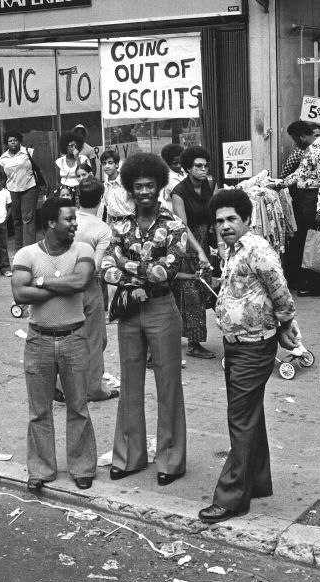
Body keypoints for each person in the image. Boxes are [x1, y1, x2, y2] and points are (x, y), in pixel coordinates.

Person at [198, 189, 298, 524]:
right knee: (248, 414)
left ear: (246, 220)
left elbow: (280, 289)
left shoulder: (257, 248)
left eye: (231, 220)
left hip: (255, 344)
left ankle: (231, 498)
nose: (224, 226)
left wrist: (286, 326)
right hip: (236, 342)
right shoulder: (231, 250)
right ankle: (255, 481)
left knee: (239, 418)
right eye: (219, 221)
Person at [102, 152, 188, 487]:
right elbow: (105, 266)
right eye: (138, 186)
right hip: (129, 312)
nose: (144, 192)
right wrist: (128, 269)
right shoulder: (120, 225)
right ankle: (129, 456)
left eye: (150, 185)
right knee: (130, 383)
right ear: (129, 189)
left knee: (168, 386)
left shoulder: (174, 227)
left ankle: (171, 459)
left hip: (161, 310)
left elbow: (165, 272)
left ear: (159, 186)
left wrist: (126, 266)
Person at [10, 197, 98, 493]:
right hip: (38, 340)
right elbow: (20, 294)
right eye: (69, 219)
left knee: (78, 406)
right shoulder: (26, 253)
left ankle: (82, 468)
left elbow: (80, 282)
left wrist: (41, 281)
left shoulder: (83, 249)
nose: (75, 224)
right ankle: (41, 470)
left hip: (74, 337)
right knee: (39, 410)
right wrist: (55, 282)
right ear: (50, 223)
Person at [170, 145, 217, 359]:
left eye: (205, 165)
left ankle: (183, 334)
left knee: (205, 291)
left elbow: (216, 217)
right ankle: (194, 343)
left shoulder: (211, 185)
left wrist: (221, 247)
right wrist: (199, 251)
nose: (203, 169)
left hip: (204, 241)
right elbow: (182, 226)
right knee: (191, 293)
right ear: (188, 168)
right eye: (198, 166)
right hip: (187, 245)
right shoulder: (179, 192)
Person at [280, 121, 320, 297]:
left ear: (303, 136)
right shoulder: (308, 152)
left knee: (315, 242)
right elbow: (299, 174)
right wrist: (280, 183)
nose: (295, 143)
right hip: (305, 199)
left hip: (314, 199)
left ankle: (317, 286)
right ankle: (310, 282)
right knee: (306, 241)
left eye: (296, 139)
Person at [74, 179, 115, 402]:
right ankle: (93, 388)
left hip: (63, 284)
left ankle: (64, 384)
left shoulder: (67, 219)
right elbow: (96, 265)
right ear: (101, 199)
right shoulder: (101, 228)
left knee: (69, 335)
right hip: (88, 286)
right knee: (95, 338)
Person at [0, 130, 39, 248]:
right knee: (16, 220)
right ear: (7, 143)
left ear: (19, 141)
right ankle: (19, 249)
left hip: (29, 188)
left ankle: (30, 249)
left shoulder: (29, 152)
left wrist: (46, 184)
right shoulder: (3, 158)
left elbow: (39, 168)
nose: (13, 143)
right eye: (10, 141)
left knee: (28, 219)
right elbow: (3, 177)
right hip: (12, 190)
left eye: (15, 140)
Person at [101, 148, 134, 223]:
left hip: (130, 223)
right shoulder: (105, 186)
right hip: (113, 225)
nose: (107, 166)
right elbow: (108, 209)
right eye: (104, 163)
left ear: (117, 164)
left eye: (110, 163)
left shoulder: (127, 182)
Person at [159, 143, 186, 212]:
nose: (179, 165)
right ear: (168, 163)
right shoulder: (166, 178)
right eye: (175, 163)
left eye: (180, 162)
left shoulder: (186, 171)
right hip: (173, 212)